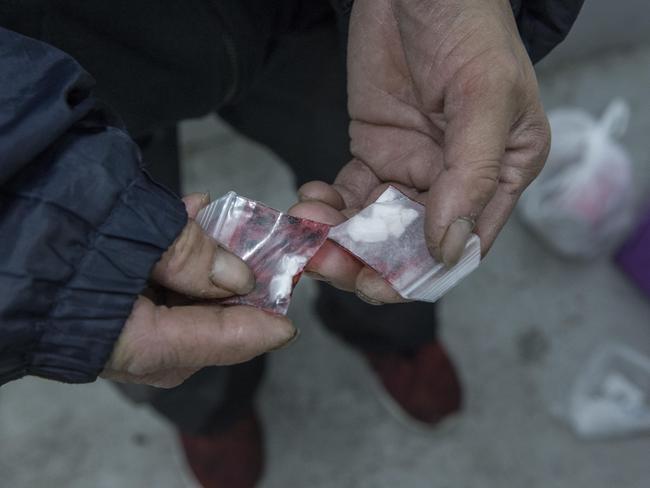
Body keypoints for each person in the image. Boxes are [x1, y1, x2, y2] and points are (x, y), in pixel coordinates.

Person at [0, 0, 583, 486]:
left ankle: (393, 336)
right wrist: (25, 218)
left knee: (402, 188)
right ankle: (208, 408)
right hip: (55, 65)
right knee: (133, 272)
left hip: (314, 20)